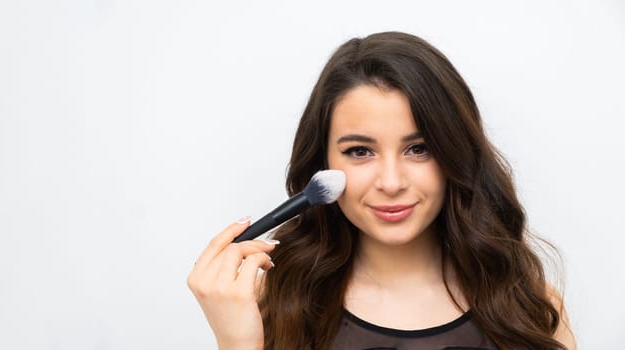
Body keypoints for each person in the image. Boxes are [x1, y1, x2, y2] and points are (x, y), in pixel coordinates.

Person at [187, 31, 576, 350]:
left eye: (418, 149)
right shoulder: (269, 302)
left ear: (455, 153)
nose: (391, 182)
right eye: (360, 152)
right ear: (322, 163)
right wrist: (236, 343)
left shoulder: (528, 303)